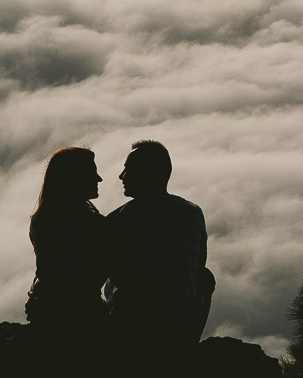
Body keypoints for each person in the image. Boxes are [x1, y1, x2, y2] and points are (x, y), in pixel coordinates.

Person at [107, 140, 214, 346]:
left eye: (128, 170)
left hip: (131, 324)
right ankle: (188, 346)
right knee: (206, 278)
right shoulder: (192, 213)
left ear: (146, 173)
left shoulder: (120, 219)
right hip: (181, 323)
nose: (121, 176)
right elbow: (199, 266)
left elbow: (108, 268)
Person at [24, 146, 110, 329]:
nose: (99, 179)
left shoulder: (41, 220)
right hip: (83, 316)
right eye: (92, 173)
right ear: (75, 179)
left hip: (44, 310)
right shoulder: (93, 224)